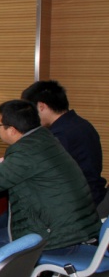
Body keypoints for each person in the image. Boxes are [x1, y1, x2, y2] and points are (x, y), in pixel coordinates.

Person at [0, 99, 100, 252]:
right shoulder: (42, 140)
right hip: (74, 230)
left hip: (58, 239)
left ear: (12, 130)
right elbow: (1, 172)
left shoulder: (26, 152)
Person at [21, 80, 106, 208]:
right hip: (91, 195)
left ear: (41, 106)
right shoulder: (79, 124)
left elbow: (37, 171)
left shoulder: (60, 134)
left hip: (76, 203)